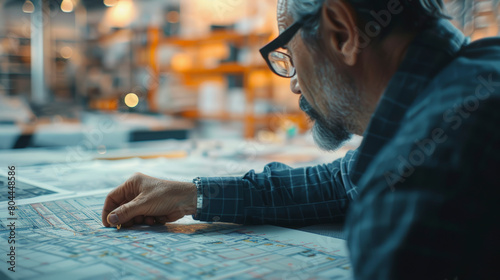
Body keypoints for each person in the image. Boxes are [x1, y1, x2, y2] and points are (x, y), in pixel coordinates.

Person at [102, 0, 500, 278]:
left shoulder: (413, 187)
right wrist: (193, 194)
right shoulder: (480, 70)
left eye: (288, 53)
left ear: (343, 32)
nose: (293, 82)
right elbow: (347, 180)